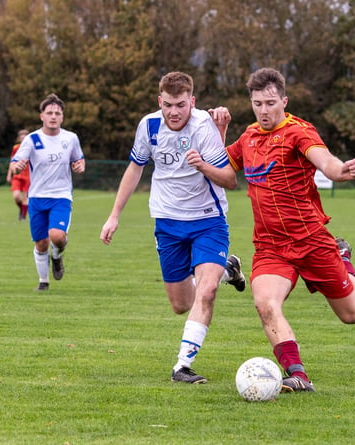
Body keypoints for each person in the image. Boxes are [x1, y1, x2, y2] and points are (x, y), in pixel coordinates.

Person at [99, 71, 246, 385]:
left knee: (205, 292)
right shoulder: (148, 125)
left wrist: (203, 165)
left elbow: (230, 180)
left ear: (192, 102)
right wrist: (114, 215)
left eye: (180, 104)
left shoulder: (204, 125)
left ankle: (183, 365)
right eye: (167, 105)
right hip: (167, 223)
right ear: (159, 101)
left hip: (208, 220)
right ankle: (227, 269)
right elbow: (135, 168)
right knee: (181, 304)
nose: (174, 112)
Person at [225, 67, 355, 393]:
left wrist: (339, 171)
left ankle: (343, 257)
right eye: (257, 103)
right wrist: (219, 130)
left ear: (283, 101)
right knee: (265, 304)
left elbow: (325, 161)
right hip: (271, 246)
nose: (263, 110)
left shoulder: (299, 131)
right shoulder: (248, 137)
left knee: (352, 315)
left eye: (270, 102)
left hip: (311, 241)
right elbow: (223, 169)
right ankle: (297, 373)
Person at [11, 94, 85, 291]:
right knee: (41, 242)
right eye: (49, 113)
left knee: (57, 236)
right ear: (41, 116)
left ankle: (57, 256)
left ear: (62, 117)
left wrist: (80, 166)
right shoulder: (32, 139)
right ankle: (43, 281)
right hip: (36, 198)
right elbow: (16, 164)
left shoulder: (70, 138)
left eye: (57, 113)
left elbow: (79, 159)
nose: (53, 116)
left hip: (61, 196)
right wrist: (17, 167)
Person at [6, 129, 30, 220]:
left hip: (28, 176)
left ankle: (22, 217)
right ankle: (23, 209)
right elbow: (12, 161)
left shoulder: (31, 148)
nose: (23, 139)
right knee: (16, 196)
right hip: (17, 175)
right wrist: (9, 174)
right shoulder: (16, 148)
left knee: (25, 198)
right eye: (21, 137)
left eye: (25, 137)